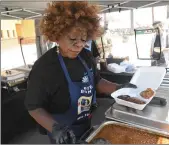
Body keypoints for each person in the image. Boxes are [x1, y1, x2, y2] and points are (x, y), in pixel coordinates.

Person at [24, 2, 137, 144]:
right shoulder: (44, 67)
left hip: (85, 124)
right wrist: (55, 128)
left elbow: (97, 81)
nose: (79, 45)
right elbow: (34, 107)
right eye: (72, 39)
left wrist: (118, 88)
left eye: (83, 39)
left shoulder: (86, 56)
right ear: (57, 35)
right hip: (62, 132)